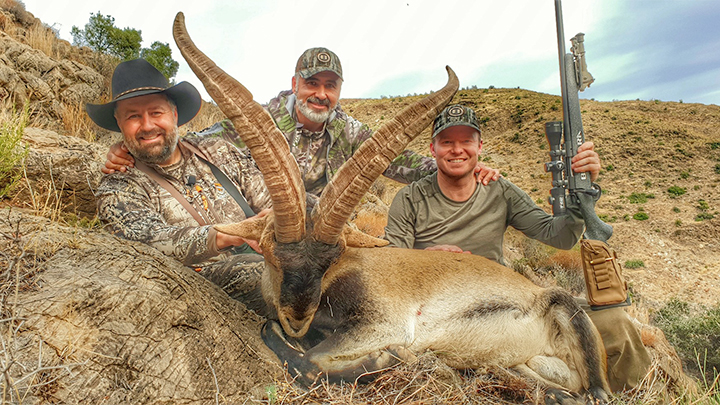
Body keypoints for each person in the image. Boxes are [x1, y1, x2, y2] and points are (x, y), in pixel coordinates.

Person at [385, 104, 651, 392]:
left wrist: (581, 193)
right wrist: (424, 259)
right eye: (447, 142)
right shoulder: (409, 199)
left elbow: (559, 237)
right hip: (442, 314)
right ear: (433, 148)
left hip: (509, 303)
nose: (457, 150)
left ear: (479, 146)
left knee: (615, 320)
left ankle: (636, 396)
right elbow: (390, 269)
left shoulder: (500, 191)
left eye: (466, 141)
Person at [101, 47, 501, 194]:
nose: (321, 94)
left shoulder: (349, 132)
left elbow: (404, 162)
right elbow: (197, 145)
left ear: (340, 90)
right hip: (276, 232)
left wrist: (461, 165)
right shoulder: (260, 122)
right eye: (312, 83)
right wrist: (132, 148)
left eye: (331, 85)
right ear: (295, 83)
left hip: (329, 236)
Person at [90, 59, 271, 314]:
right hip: (198, 290)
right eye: (133, 116)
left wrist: (274, 221)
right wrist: (233, 233)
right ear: (119, 125)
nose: (148, 125)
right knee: (267, 277)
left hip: (272, 262)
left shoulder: (218, 152)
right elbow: (147, 242)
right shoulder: (117, 187)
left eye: (156, 112)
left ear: (174, 115)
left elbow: (270, 200)